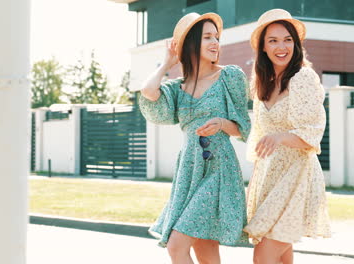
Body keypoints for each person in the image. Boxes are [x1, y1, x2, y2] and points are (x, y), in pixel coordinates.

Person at [138, 12, 251, 264]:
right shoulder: (177, 88)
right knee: (206, 252)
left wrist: (222, 124)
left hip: (219, 168)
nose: (215, 43)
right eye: (207, 37)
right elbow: (147, 91)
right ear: (190, 44)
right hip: (189, 169)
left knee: (176, 247)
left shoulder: (229, 77)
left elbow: (244, 128)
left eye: (217, 37)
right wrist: (167, 63)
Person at [244, 9, 331, 264]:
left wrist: (281, 137)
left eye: (287, 39)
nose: (281, 47)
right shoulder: (264, 82)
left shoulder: (302, 77)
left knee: (263, 257)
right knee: (282, 258)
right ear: (263, 47)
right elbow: (261, 140)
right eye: (273, 40)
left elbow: (312, 132)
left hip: (298, 177)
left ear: (296, 43)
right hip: (272, 178)